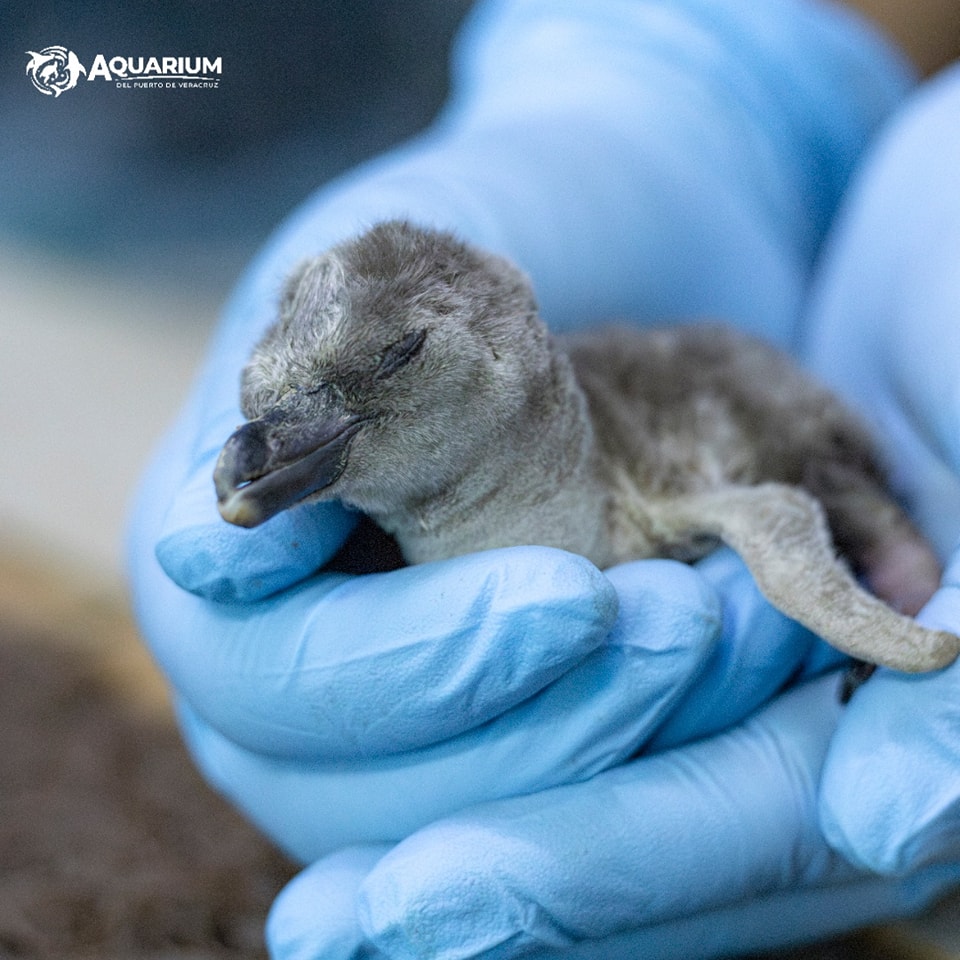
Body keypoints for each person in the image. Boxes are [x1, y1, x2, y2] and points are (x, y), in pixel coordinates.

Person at [126, 1, 960, 956]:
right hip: (131, 192)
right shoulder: (365, 501)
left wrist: (887, 616)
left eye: (398, 361)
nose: (257, 454)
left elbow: (769, 504)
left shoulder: (635, 452)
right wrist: (675, 74)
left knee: (833, 495)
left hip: (752, 401)